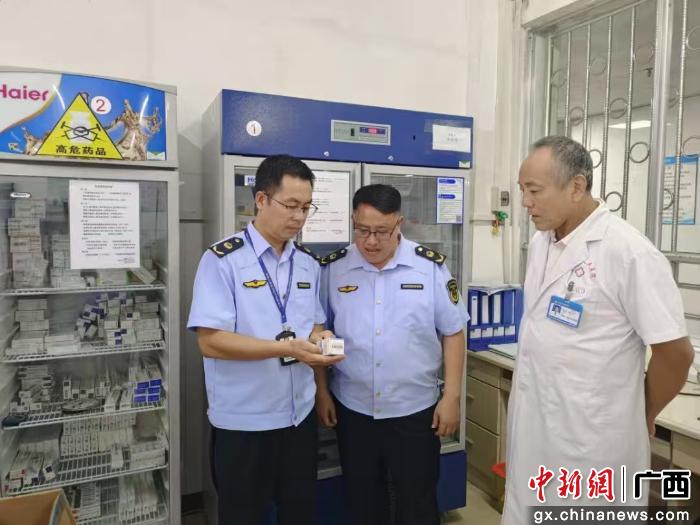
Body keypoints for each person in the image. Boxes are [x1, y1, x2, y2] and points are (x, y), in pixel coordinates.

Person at [502, 136, 693, 524]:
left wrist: (644, 411)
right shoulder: (540, 243)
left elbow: (676, 353)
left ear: (576, 186)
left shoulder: (629, 253)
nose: (525, 202)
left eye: (534, 191)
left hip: (592, 446)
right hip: (536, 435)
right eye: (522, 190)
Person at [187, 154, 343, 525]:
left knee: (299, 512)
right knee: (244, 515)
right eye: (291, 205)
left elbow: (313, 326)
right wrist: (285, 348)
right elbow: (210, 341)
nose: (299, 217)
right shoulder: (223, 260)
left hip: (298, 417)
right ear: (261, 200)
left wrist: (322, 340)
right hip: (245, 421)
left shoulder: (307, 263)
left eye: (307, 207)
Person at [316, 184, 468, 525]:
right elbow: (320, 331)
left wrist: (452, 397)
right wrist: (322, 391)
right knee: (363, 499)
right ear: (353, 221)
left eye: (381, 232)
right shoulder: (334, 268)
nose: (371, 241)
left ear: (399, 223)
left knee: (418, 500)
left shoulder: (429, 268)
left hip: (415, 410)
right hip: (353, 409)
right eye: (362, 230)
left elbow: (453, 332)